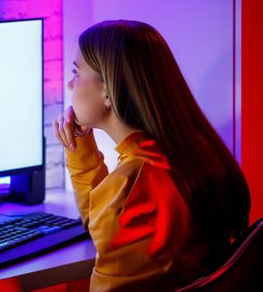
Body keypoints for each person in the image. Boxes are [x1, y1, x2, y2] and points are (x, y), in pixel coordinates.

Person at [53, 20, 250, 292]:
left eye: (77, 72)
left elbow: (113, 216)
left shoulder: (133, 185)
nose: (70, 84)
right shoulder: (192, 153)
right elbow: (102, 221)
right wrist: (81, 148)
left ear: (107, 90)